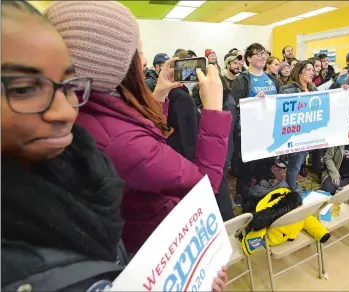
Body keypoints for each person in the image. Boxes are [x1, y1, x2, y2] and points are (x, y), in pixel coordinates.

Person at [2, 1, 230, 290]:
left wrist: (157, 95)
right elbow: (204, 185)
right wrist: (214, 111)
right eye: (23, 89)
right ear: (111, 63)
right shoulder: (115, 140)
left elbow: (137, 138)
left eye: (66, 83)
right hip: (150, 248)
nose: (144, 61)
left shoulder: (93, 116)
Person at [231, 42, 279, 209]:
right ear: (249, 58)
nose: (262, 56)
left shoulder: (272, 79)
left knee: (264, 163)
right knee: (246, 165)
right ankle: (241, 193)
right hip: (249, 130)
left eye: (263, 53)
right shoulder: (242, 80)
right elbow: (235, 105)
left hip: (268, 129)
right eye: (257, 53)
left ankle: (261, 189)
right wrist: (253, 101)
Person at [192, 74, 237, 220]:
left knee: (219, 185)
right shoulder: (225, 100)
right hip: (222, 147)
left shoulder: (226, 103)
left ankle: (226, 218)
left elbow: (220, 131)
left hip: (221, 149)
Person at [280, 61, 317, 191]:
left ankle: (292, 184)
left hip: (308, 132)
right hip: (295, 133)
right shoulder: (287, 89)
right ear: (300, 71)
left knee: (300, 161)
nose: (312, 72)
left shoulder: (313, 89)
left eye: (313, 70)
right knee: (295, 163)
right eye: (309, 69)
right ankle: (291, 187)